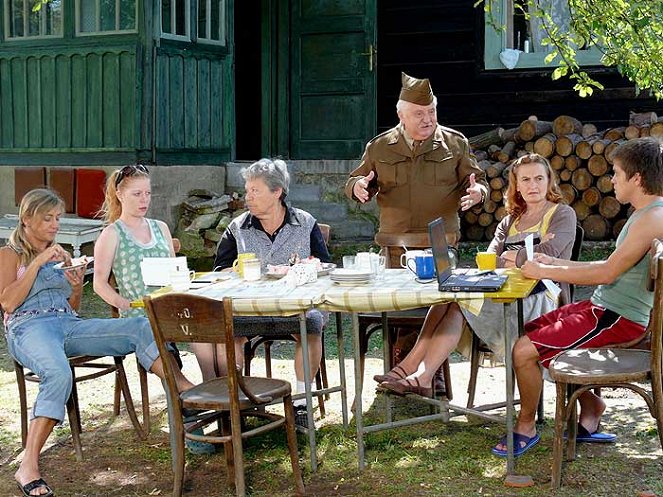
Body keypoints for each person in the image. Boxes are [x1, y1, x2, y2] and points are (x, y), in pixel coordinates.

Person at [1, 189, 194, 497]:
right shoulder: (9, 253)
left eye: (58, 218)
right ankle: (29, 465)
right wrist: (37, 263)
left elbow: (73, 308)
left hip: (67, 324)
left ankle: (184, 391)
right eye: (47, 218)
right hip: (29, 328)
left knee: (140, 326)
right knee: (58, 373)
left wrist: (76, 284)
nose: (54, 224)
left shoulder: (59, 251)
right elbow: (8, 302)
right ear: (26, 219)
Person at [492, 137, 663, 457]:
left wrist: (546, 272)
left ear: (637, 179)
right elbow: (609, 266)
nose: (612, 179)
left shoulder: (653, 218)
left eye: (616, 173)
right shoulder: (646, 213)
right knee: (532, 330)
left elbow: (606, 274)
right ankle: (591, 404)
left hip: (619, 319)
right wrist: (555, 262)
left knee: (523, 351)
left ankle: (526, 426)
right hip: (606, 310)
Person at [376, 153, 576, 399]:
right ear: (517, 185)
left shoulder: (561, 214)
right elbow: (491, 261)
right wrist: (523, 255)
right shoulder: (510, 221)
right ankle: (415, 372)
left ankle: (415, 373)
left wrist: (516, 256)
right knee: (449, 299)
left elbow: (547, 255)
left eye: (538, 178)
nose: (532, 185)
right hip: (503, 293)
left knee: (459, 304)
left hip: (540, 302)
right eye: (525, 180)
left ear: (549, 181)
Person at [344, 72, 489, 391]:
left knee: (441, 301)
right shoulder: (380, 147)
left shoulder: (455, 143)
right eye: (420, 114)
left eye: (432, 112)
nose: (428, 119)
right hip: (394, 252)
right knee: (401, 307)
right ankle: (407, 362)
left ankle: (424, 369)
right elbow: (353, 180)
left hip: (441, 250)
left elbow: (477, 181)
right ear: (402, 116)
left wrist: (478, 193)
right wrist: (358, 188)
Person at [93, 164, 216, 454]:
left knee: (212, 331)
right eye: (136, 194)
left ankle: (216, 396)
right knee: (158, 338)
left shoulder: (160, 228)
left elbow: (173, 274)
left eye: (147, 193)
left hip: (175, 310)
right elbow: (99, 283)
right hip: (140, 316)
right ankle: (192, 405)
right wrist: (121, 303)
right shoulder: (112, 234)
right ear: (120, 194)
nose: (144, 200)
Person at [213, 158, 331, 427]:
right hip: (249, 308)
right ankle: (236, 405)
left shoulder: (305, 223)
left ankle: (301, 404)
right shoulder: (238, 227)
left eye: (255, 190)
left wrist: (304, 268)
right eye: (247, 190)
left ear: (277, 192)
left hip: (296, 307)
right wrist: (237, 273)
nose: (248, 197)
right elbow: (219, 270)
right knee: (226, 328)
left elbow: (325, 267)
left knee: (312, 324)